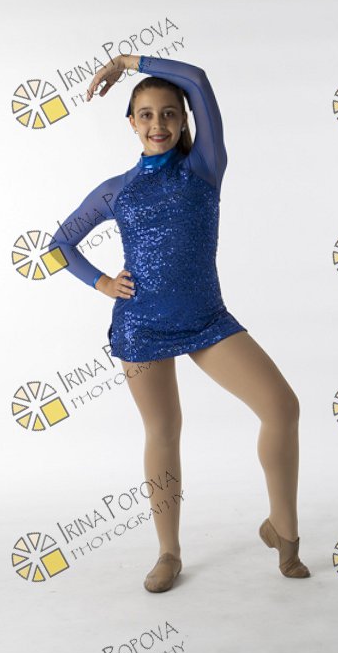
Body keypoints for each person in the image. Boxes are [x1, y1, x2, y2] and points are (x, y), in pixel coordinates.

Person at [48, 54, 308, 591]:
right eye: (145, 115)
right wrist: (102, 283)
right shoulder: (116, 190)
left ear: (185, 119)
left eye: (169, 113)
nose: (158, 124)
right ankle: (168, 552)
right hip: (140, 325)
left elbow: (199, 80)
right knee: (163, 431)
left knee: (282, 407)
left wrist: (127, 61)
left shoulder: (204, 168)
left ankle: (283, 530)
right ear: (131, 123)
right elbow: (60, 245)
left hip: (207, 319)